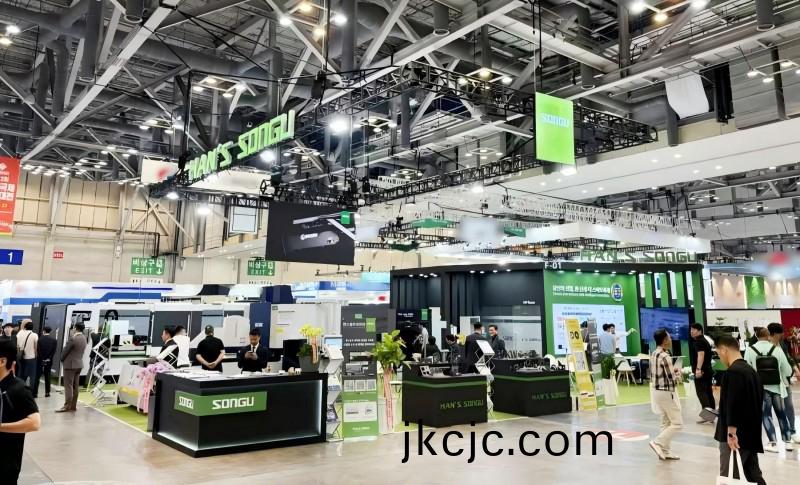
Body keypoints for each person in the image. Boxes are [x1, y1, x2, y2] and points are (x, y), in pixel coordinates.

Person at [715, 334, 766, 485]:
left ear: (723, 350)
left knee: (729, 477)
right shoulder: (751, 372)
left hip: (736, 437)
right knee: (752, 474)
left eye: (718, 353)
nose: (720, 358)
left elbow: (733, 404)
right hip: (751, 434)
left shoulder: (733, 372)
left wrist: (731, 434)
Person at [744, 327, 794, 452]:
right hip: (777, 388)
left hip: (760, 388)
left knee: (766, 415)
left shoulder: (750, 350)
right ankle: (788, 442)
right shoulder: (777, 349)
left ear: (756, 336)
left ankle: (773, 443)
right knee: (781, 414)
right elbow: (787, 370)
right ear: (768, 336)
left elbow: (747, 371)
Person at [0, 338, 41, 484]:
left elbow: (34, 423)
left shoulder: (19, 389)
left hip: (5, 465)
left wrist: (1, 427)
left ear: (2, 361)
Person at [649, 328, 683, 461]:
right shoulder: (665, 356)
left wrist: (672, 371)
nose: (671, 339)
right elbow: (672, 379)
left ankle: (665, 451)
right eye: (669, 337)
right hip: (667, 392)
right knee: (677, 423)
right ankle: (657, 442)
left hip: (656, 392)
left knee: (665, 422)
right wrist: (678, 374)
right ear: (664, 340)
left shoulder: (654, 353)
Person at [767, 322, 800, 444]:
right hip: (769, 383)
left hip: (784, 381)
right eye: (781, 333)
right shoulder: (764, 345)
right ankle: (773, 438)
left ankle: (792, 431)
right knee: (770, 410)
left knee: (789, 406)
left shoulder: (781, 343)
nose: (783, 335)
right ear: (775, 334)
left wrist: (795, 368)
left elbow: (787, 356)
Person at [57, 322, 87, 413]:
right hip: (79, 364)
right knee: (75, 386)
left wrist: (61, 359)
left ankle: (67, 406)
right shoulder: (84, 338)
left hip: (70, 365)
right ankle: (73, 406)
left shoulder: (73, 338)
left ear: (75, 328)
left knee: (68, 386)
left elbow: (65, 351)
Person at [689, 323, 716, 423]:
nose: (691, 332)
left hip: (702, 371)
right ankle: (711, 416)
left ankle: (707, 416)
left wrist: (698, 369)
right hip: (707, 370)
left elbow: (701, 354)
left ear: (700, 331)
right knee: (708, 392)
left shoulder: (699, 341)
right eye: (691, 330)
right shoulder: (704, 340)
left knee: (701, 392)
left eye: (693, 330)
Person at [32, 326, 57, 398]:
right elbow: (53, 351)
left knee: (37, 377)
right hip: (49, 361)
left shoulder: (40, 339)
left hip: (40, 360)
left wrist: (42, 359)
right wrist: (48, 358)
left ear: (44, 331)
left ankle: (35, 393)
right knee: (47, 376)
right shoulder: (54, 340)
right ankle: (47, 393)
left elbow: (38, 351)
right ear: (50, 331)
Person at [14, 320, 38, 388]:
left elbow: (17, 345)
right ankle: (30, 391)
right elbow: (35, 347)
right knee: (32, 376)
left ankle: (20, 389)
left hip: (20, 356)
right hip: (31, 357)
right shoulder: (34, 335)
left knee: (21, 374)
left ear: (24, 326)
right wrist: (36, 355)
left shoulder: (19, 333)